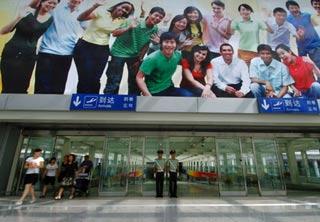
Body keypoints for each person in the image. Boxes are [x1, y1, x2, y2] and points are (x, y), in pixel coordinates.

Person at [73, 0, 135, 94]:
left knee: (96, 78)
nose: (124, 10)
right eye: (123, 7)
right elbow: (80, 18)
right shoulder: (101, 12)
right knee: (85, 76)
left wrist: (128, 27)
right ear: (117, 5)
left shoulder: (122, 21)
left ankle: (94, 101)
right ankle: (81, 103)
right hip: (85, 46)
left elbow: (115, 34)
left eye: (127, 11)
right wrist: (94, 6)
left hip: (102, 49)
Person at [0, 0, 59, 94]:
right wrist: (18, 18)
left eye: (55, 3)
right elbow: (3, 31)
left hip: (29, 56)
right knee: (8, 86)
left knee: (22, 87)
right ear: (42, 2)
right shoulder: (27, 12)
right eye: (50, 2)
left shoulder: (51, 19)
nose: (51, 5)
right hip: (12, 52)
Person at [103, 7, 165, 95]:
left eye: (160, 17)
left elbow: (146, 44)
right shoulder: (134, 21)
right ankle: (110, 102)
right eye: (156, 15)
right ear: (150, 14)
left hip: (134, 56)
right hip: (118, 53)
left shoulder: (155, 28)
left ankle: (133, 102)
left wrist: (139, 60)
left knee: (134, 81)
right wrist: (129, 27)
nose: (157, 18)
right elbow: (114, 33)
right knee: (114, 80)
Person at [34, 0, 84, 94]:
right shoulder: (55, 7)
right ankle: (38, 107)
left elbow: (89, 29)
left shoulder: (82, 13)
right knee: (42, 86)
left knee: (59, 87)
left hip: (67, 54)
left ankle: (54, 108)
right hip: (47, 51)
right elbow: (38, 9)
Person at [136, 32, 193, 97]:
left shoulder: (177, 55)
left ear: (176, 44)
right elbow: (139, 77)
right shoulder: (152, 59)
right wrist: (147, 94)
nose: (169, 45)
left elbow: (190, 64)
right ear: (161, 44)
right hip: (154, 91)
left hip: (169, 87)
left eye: (172, 42)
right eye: (166, 42)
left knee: (189, 96)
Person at [286, 0, 320, 69]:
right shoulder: (288, 20)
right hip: (301, 46)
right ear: (288, 9)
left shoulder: (307, 15)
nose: (295, 9)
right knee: (304, 66)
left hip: (313, 44)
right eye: (292, 8)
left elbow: (317, 23)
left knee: (318, 64)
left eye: (296, 7)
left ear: (299, 8)